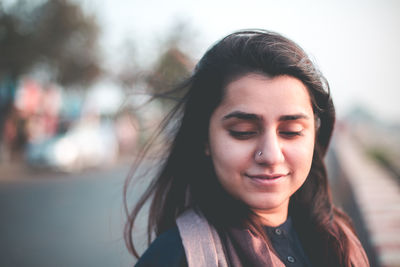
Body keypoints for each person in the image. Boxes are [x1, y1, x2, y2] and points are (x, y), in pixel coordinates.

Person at [125, 29, 369, 267]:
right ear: (204, 139)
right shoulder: (177, 256)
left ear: (314, 136)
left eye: (291, 132)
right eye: (243, 132)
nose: (271, 155)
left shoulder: (338, 238)